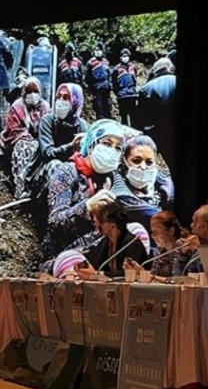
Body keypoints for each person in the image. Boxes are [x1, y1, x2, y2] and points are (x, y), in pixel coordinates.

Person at [42, 119, 126, 260]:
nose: (112, 150)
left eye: (118, 147)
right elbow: (55, 224)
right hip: (65, 256)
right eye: (106, 143)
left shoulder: (113, 180)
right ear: (92, 145)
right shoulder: (67, 171)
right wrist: (88, 206)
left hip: (102, 255)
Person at [26, 83, 89, 201]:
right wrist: (70, 147)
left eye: (66, 98)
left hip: (72, 170)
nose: (61, 101)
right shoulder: (47, 121)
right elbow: (47, 153)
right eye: (58, 97)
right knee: (57, 166)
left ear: (76, 101)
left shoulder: (81, 125)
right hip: (44, 173)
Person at [0, 76, 50, 199]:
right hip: (17, 141)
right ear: (24, 93)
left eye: (35, 92)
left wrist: (40, 140)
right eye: (29, 92)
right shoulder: (17, 107)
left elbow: (48, 128)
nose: (32, 95)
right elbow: (14, 131)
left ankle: (37, 189)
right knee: (24, 148)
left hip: (39, 141)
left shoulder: (45, 107)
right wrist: (32, 141)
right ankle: (20, 187)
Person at [111, 135, 174, 233]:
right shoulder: (117, 196)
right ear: (124, 162)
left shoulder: (167, 191)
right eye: (136, 161)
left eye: (149, 162)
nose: (143, 167)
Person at [73, 202, 148, 279]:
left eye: (101, 222)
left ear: (113, 226)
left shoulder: (132, 244)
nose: (97, 225)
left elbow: (128, 273)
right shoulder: (105, 242)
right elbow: (99, 268)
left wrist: (97, 274)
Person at [134, 57, 176, 170]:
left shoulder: (146, 89)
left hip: (161, 135)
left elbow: (141, 118)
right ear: (170, 68)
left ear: (155, 71)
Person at [85, 41, 113, 120]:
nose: (98, 51)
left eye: (99, 49)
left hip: (106, 89)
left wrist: (110, 85)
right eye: (96, 50)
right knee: (99, 110)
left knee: (107, 109)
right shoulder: (91, 63)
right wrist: (92, 88)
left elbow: (109, 75)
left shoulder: (106, 62)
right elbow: (87, 77)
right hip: (97, 89)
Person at [111, 48, 139, 126]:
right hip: (122, 96)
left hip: (132, 95)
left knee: (133, 115)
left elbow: (135, 80)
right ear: (120, 57)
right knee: (123, 116)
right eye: (123, 56)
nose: (125, 58)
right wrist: (118, 93)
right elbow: (114, 84)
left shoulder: (133, 68)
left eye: (126, 56)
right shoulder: (116, 69)